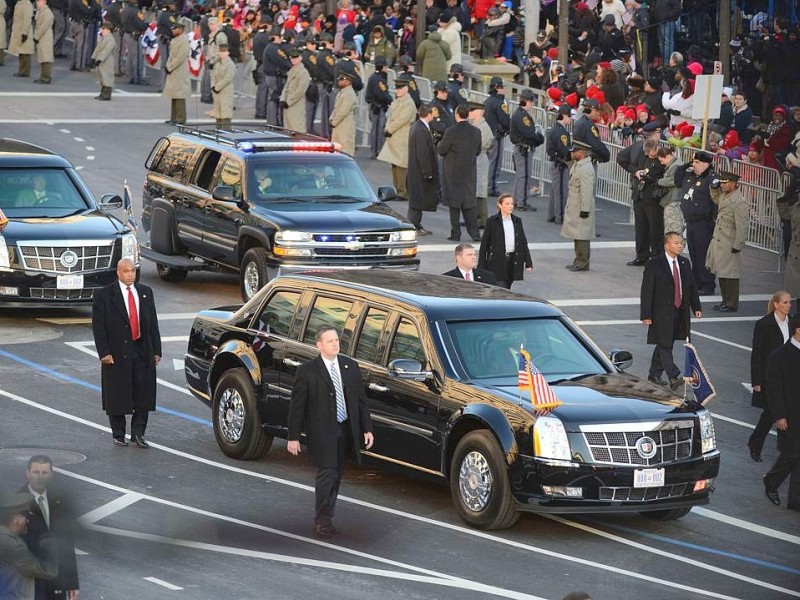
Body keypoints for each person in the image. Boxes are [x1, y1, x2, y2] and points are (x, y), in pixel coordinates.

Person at [287, 327, 374, 538]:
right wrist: (293, 437)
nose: (335, 344)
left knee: (337, 475)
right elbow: (297, 406)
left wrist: (367, 429)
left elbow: (360, 401)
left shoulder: (350, 367)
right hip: (322, 432)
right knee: (327, 473)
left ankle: (327, 516)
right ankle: (322, 520)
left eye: (336, 340)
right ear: (319, 345)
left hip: (345, 430)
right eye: (330, 341)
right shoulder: (307, 371)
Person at [91, 257, 162, 448]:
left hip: (141, 348)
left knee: (143, 392)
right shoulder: (105, 295)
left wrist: (156, 350)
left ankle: (138, 434)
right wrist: (104, 352)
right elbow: (99, 328)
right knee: (117, 392)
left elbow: (152, 324)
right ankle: (119, 433)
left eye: (133, 271)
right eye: (126, 271)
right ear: (118, 272)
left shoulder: (145, 293)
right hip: (117, 351)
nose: (130, 274)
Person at [640, 232, 703, 388]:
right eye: (676, 243)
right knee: (665, 344)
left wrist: (696, 307)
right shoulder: (654, 264)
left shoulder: (684, 263)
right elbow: (646, 291)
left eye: (681, 243)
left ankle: (654, 374)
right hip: (661, 312)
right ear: (666, 245)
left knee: (666, 341)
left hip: (679, 310)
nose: (680, 245)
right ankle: (673, 376)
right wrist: (646, 314)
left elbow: (691, 287)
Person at [21, 455, 79, 600]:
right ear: (27, 473)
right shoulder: (17, 503)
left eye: (44, 473)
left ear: (51, 475)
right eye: (36, 472)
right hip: (30, 580)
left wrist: (72, 582)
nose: (40, 477)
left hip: (56, 579)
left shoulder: (59, 501)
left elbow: (67, 543)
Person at [763, 314, 800, 511]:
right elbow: (774, 389)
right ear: (798, 330)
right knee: (791, 454)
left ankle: (795, 500)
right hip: (788, 415)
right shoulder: (780, 356)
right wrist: (779, 415)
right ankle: (771, 480)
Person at [749, 291, 792, 462]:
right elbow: (757, 354)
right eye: (785, 302)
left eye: (789, 303)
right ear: (776, 304)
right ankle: (756, 445)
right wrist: (756, 381)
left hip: (788, 377)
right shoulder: (764, 324)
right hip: (770, 377)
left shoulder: (792, 323)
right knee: (771, 413)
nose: (789, 305)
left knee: (778, 413)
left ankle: (758, 443)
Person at [618, 124, 663, 265]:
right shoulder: (640, 150)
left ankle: (656, 256)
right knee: (641, 227)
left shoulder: (661, 154)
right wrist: (636, 172)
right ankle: (641, 255)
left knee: (655, 228)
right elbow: (624, 160)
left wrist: (649, 176)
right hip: (639, 194)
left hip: (653, 196)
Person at [706, 171, 749, 312]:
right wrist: (714, 187)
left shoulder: (739, 202)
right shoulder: (725, 196)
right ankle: (725, 301)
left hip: (730, 241)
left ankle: (731, 303)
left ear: (733, 183)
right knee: (723, 273)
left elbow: (742, 226)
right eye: (721, 183)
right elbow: (716, 199)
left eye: (725, 183)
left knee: (731, 275)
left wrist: (738, 244)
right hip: (721, 239)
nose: (722, 185)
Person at [438, 104, 482, 242]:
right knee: (469, 204)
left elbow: (441, 149)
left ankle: (455, 233)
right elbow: (478, 150)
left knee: (454, 205)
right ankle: (475, 234)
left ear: (457, 115)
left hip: (453, 172)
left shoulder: (451, 131)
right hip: (469, 172)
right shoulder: (476, 131)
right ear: (468, 115)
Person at [0, 494, 58, 600]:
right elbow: (48, 570)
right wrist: (47, 542)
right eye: (25, 517)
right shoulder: (12, 547)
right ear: (16, 520)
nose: (28, 521)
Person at [677, 151, 719, 295]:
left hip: (704, 223)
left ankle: (707, 284)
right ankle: (696, 282)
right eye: (693, 162)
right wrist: (687, 164)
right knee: (694, 254)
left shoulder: (712, 178)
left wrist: (713, 221)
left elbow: (716, 201)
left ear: (706, 164)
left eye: (697, 162)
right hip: (691, 222)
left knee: (703, 255)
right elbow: (677, 178)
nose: (694, 165)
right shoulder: (690, 176)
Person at [478, 194, 532, 288]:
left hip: (513, 260)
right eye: (507, 203)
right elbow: (484, 244)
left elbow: (523, 242)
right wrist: (481, 265)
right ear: (500, 205)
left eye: (512, 203)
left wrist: (528, 262)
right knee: (500, 286)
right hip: (497, 261)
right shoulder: (492, 221)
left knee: (507, 286)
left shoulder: (517, 221)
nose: (511, 206)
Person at [377, 75, 417, 202]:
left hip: (402, 137)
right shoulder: (397, 101)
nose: (397, 90)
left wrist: (390, 129)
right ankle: (397, 190)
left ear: (406, 88)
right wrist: (387, 128)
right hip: (394, 137)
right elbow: (390, 117)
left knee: (401, 165)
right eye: (396, 88)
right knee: (394, 164)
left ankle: (403, 192)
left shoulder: (409, 103)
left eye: (400, 88)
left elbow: (401, 120)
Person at [561, 141, 596, 272]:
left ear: (582, 153)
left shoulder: (586, 169)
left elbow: (586, 191)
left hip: (581, 206)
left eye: (574, 151)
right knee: (577, 234)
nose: (572, 153)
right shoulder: (579, 165)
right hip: (576, 205)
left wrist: (585, 209)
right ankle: (578, 260)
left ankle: (583, 262)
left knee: (582, 236)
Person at [509, 88, 544, 211]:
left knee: (521, 176)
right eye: (531, 102)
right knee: (524, 176)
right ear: (525, 102)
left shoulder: (520, 114)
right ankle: (521, 202)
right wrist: (539, 138)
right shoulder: (522, 116)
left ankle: (516, 200)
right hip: (523, 149)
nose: (532, 104)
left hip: (522, 149)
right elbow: (529, 133)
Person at [406, 104, 439, 236]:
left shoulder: (419, 127)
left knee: (418, 200)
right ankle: (413, 226)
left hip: (417, 171)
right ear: (429, 115)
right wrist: (427, 172)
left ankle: (417, 224)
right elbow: (422, 153)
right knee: (417, 201)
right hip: (418, 172)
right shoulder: (420, 129)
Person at [546, 105, 572, 225]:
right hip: (560, 164)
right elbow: (564, 150)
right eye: (569, 116)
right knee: (561, 191)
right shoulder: (561, 132)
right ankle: (560, 216)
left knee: (555, 189)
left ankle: (552, 214)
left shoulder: (554, 129)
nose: (571, 119)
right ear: (563, 116)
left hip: (554, 162)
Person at [469, 101, 493, 229]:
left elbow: (478, 145)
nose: (469, 113)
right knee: (473, 189)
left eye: (472, 111)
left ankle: (482, 219)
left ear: (479, 112)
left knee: (480, 190)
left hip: (480, 159)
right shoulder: (474, 125)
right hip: (474, 159)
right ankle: (474, 217)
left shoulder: (484, 128)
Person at [484, 76, 510, 197]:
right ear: (498, 88)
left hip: (487, 134)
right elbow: (505, 120)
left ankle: (486, 185)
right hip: (496, 135)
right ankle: (491, 186)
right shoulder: (499, 103)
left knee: (487, 161)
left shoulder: (487, 101)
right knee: (495, 162)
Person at [162, 21, 190, 125]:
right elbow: (172, 55)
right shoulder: (175, 40)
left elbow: (180, 57)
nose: (173, 31)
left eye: (175, 29)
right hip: (173, 70)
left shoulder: (184, 41)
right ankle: (173, 117)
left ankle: (180, 118)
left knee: (179, 96)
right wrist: (168, 65)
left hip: (179, 71)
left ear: (181, 30)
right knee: (173, 95)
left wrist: (170, 66)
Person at [365, 56, 393, 158]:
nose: (387, 68)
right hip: (377, 107)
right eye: (385, 66)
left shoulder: (377, 77)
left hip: (377, 106)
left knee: (377, 129)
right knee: (378, 130)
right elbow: (381, 94)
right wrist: (391, 100)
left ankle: (376, 150)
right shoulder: (378, 79)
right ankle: (377, 150)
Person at [280, 49, 311, 133]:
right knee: (288, 130)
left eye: (295, 57)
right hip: (287, 104)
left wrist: (288, 101)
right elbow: (286, 86)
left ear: (300, 58)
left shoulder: (303, 73)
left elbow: (300, 91)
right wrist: (282, 99)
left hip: (296, 105)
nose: (293, 59)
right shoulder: (292, 70)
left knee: (297, 130)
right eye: (291, 58)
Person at [656, 146, 685, 236]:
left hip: (673, 200)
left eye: (662, 160)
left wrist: (659, 181)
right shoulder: (676, 164)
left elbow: (673, 181)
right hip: (673, 199)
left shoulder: (676, 166)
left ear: (667, 156)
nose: (662, 163)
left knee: (672, 229)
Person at [329, 71, 358, 157]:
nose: (339, 81)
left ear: (348, 81)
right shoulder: (342, 92)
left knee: (345, 151)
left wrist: (334, 122)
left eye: (342, 79)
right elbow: (336, 108)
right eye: (339, 79)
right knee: (336, 150)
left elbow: (343, 111)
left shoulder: (349, 94)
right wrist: (331, 119)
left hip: (345, 126)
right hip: (339, 126)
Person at [200, 17, 226, 105]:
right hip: (210, 59)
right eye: (210, 24)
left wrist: (216, 59)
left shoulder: (220, 35)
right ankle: (206, 95)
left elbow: (223, 49)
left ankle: (212, 97)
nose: (211, 26)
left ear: (217, 24)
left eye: (213, 24)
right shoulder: (211, 34)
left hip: (216, 60)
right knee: (207, 78)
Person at [211, 44, 236, 129]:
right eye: (220, 51)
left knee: (225, 113)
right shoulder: (217, 63)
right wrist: (213, 86)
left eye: (224, 51)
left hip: (226, 91)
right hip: (217, 91)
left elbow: (227, 78)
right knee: (218, 113)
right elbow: (213, 75)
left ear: (228, 52)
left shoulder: (230, 64)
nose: (221, 53)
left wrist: (217, 87)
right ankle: (218, 130)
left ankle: (226, 131)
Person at [90, 22, 115, 101]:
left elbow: (106, 51)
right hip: (101, 61)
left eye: (104, 29)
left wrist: (100, 59)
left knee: (107, 77)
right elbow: (97, 48)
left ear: (108, 30)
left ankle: (107, 95)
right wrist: (94, 57)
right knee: (102, 77)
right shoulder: (103, 38)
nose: (102, 31)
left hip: (107, 61)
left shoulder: (110, 40)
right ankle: (102, 93)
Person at [9, 0, 35, 78]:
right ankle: (21, 70)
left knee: (25, 53)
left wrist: (24, 32)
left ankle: (25, 71)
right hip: (18, 30)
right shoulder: (20, 2)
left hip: (23, 31)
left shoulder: (26, 4)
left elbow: (27, 19)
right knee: (21, 52)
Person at [33, 0, 54, 84]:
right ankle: (42, 76)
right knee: (42, 58)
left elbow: (43, 27)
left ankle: (46, 77)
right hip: (42, 38)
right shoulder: (41, 11)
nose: (37, 3)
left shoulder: (47, 13)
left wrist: (36, 36)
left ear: (44, 2)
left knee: (46, 58)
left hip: (45, 38)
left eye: (39, 1)